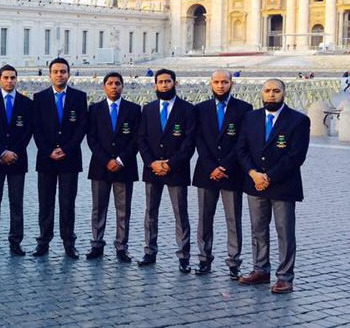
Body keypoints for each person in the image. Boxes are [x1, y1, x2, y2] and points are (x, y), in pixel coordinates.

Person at [237, 79, 310, 294]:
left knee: (284, 232)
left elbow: (296, 156)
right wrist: (253, 173)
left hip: (282, 185)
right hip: (254, 183)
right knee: (258, 229)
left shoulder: (298, 120)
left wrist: (268, 177)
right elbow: (242, 149)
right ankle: (260, 269)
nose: (271, 95)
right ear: (262, 93)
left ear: (284, 93)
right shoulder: (250, 118)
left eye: (276, 91)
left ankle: (285, 277)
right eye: (267, 91)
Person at [192, 70, 252, 279]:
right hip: (206, 172)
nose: (220, 86)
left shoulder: (244, 109)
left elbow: (243, 142)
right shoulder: (200, 109)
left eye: (224, 82)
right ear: (211, 84)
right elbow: (198, 140)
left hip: (232, 172)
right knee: (204, 218)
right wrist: (211, 167)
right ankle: (203, 259)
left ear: (231, 84)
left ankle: (234, 262)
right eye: (217, 82)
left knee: (233, 219)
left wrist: (225, 166)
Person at [137, 68, 196, 273]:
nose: (164, 85)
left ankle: (183, 255)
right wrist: (151, 162)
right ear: (155, 85)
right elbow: (141, 139)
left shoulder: (188, 110)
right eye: (160, 82)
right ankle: (149, 250)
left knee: (180, 213)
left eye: (168, 81)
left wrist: (170, 164)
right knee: (150, 213)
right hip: (152, 169)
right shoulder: (148, 109)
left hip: (176, 170)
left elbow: (189, 143)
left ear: (175, 84)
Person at [31, 58, 88, 259]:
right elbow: (36, 129)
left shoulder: (80, 97)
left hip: (69, 159)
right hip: (46, 159)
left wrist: (67, 149)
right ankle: (43, 242)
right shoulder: (39, 98)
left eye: (63, 71)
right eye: (55, 71)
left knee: (67, 203)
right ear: (49, 74)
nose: (59, 75)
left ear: (68, 74)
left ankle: (68, 242)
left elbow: (82, 128)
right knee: (45, 203)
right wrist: (48, 151)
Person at [85, 72, 141, 263]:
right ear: (104, 86)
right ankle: (96, 244)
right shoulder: (94, 109)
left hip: (124, 168)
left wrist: (120, 160)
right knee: (98, 209)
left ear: (122, 86)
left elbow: (136, 139)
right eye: (110, 83)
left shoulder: (134, 110)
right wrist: (106, 160)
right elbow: (91, 138)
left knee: (123, 210)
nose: (114, 86)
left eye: (117, 83)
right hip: (100, 167)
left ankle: (121, 247)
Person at [0, 65, 34, 256]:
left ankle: (15, 241)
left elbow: (28, 132)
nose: (10, 81)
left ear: (16, 79)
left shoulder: (27, 103)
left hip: (17, 160)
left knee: (16, 202)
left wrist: (14, 152)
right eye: (6, 77)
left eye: (13, 77)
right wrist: (3, 152)